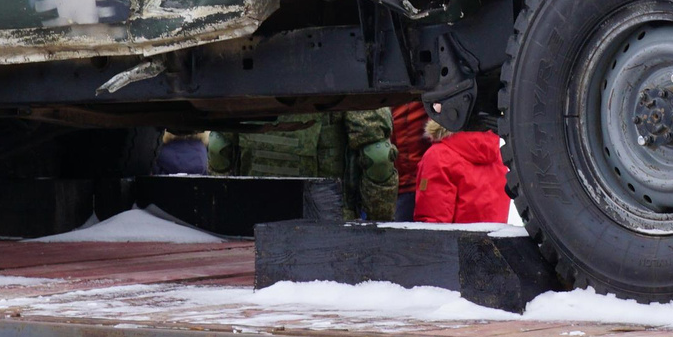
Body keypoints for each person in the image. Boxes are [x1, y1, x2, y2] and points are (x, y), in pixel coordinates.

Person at [206, 109, 398, 220]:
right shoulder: (344, 63)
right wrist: (379, 224)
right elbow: (378, 158)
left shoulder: (244, 68)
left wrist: (223, 214)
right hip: (327, 220)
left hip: (250, 215)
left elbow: (219, 149)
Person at [412, 113, 511, 224]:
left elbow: (433, 226)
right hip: (493, 239)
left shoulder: (437, 157)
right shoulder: (497, 155)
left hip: (456, 241)